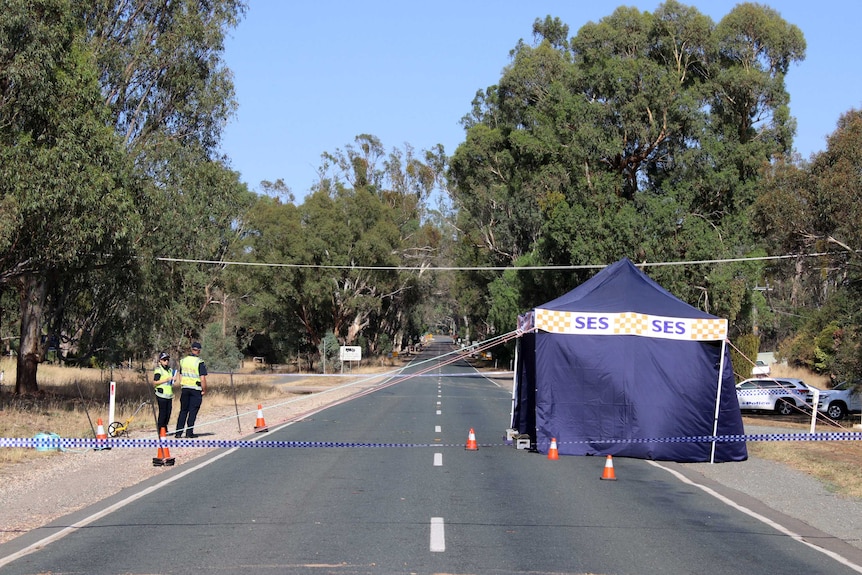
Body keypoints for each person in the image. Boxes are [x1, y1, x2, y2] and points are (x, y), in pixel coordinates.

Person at [174, 341, 208, 438]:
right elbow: (202, 378)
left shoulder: (183, 361)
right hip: (196, 389)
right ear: (199, 351)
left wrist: (183, 384)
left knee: (183, 410)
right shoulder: (199, 362)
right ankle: (189, 433)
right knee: (193, 411)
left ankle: (178, 432)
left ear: (191, 349)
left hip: (185, 388)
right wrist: (204, 389)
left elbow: (180, 375)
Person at [153, 352, 175, 434]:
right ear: (160, 361)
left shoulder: (169, 370)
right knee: (163, 413)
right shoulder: (158, 370)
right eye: (164, 360)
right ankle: (161, 429)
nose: (166, 361)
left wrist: (173, 379)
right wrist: (166, 380)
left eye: (167, 360)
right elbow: (155, 382)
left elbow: (170, 381)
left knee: (168, 413)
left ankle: (164, 428)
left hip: (169, 394)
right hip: (161, 394)